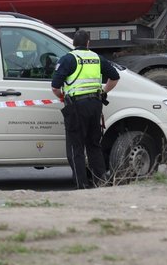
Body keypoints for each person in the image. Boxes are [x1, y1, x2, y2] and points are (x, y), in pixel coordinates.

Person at [51, 30, 119, 189]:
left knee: (76, 147)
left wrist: (63, 96)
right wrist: (103, 92)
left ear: (73, 43)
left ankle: (81, 184)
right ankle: (100, 180)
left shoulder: (68, 59)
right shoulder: (97, 58)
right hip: (95, 105)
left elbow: (55, 87)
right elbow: (115, 77)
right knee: (94, 145)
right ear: (88, 43)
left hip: (76, 106)